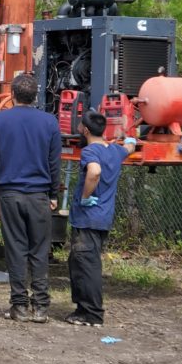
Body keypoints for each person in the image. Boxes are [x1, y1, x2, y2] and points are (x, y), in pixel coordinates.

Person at [0, 73, 61, 324]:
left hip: (10, 194)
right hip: (39, 195)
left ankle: (19, 307)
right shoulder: (50, 122)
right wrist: (53, 194)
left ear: (12, 94)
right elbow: (54, 162)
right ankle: (41, 308)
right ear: (36, 96)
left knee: (16, 250)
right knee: (39, 251)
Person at [66, 109, 137, 326]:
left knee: (87, 265)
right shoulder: (115, 150)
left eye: (79, 126)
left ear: (85, 130)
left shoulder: (90, 152)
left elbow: (94, 172)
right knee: (79, 262)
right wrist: (132, 136)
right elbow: (130, 147)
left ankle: (92, 313)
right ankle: (82, 309)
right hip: (103, 218)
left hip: (88, 216)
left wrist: (86, 196)